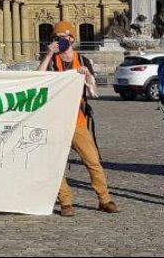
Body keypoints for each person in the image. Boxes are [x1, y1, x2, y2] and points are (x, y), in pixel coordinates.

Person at [40, 21, 119, 215]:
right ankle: (65, 202)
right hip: (56, 122)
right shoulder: (51, 60)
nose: (60, 41)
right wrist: (49, 53)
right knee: (56, 165)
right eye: (57, 38)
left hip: (78, 122)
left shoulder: (83, 61)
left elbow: (94, 91)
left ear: (72, 39)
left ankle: (104, 199)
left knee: (93, 162)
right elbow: (38, 79)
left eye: (64, 37)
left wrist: (87, 77)